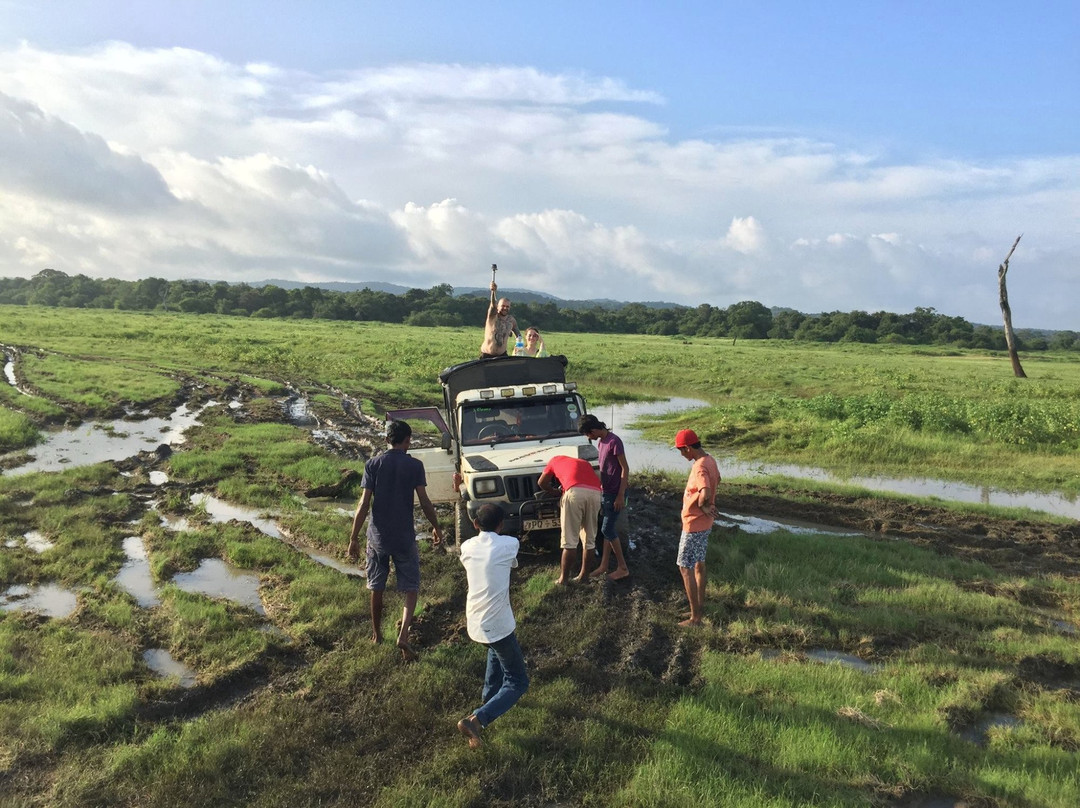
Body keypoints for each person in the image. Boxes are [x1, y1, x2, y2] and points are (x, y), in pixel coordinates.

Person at [347, 420, 443, 661]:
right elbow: (424, 501)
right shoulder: (414, 466)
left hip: (377, 538)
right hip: (404, 538)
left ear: (387, 440)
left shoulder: (373, 464)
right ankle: (403, 635)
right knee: (411, 587)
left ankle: (377, 634)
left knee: (376, 586)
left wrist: (353, 538)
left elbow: (363, 504)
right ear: (407, 440)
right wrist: (436, 527)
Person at [456, 504, 528, 749]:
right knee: (518, 681)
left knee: (494, 652)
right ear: (501, 525)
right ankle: (477, 720)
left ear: (475, 525)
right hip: (497, 624)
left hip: (475, 624)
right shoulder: (509, 544)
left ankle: (488, 702)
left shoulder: (466, 547)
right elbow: (513, 560)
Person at [674, 428, 720, 627]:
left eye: (681, 451)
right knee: (699, 564)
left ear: (687, 448)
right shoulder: (710, 460)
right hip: (704, 524)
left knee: (684, 567)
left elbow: (705, 489)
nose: (682, 455)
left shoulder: (699, 467)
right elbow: (718, 479)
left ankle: (695, 618)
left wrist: (703, 504)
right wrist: (710, 506)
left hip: (694, 523)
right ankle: (698, 606)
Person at [578, 414, 630, 581]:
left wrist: (621, 495)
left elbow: (625, 469)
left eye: (588, 434)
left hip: (616, 493)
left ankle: (622, 567)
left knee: (607, 529)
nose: (589, 438)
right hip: (606, 492)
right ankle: (604, 565)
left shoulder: (614, 441)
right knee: (609, 529)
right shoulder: (601, 442)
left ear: (592, 430)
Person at [537, 454, 602, 584]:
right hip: (596, 493)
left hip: (574, 493)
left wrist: (554, 491)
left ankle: (563, 579)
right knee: (590, 539)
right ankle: (584, 576)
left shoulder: (554, 460)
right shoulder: (584, 461)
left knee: (569, 540)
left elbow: (541, 482)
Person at [479, 280, 520, 359]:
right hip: (487, 355)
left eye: (507, 306)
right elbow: (493, 304)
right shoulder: (492, 316)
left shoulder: (511, 320)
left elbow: (519, 336)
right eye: (503, 306)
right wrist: (493, 292)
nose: (505, 308)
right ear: (498, 306)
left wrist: (519, 346)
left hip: (502, 355)